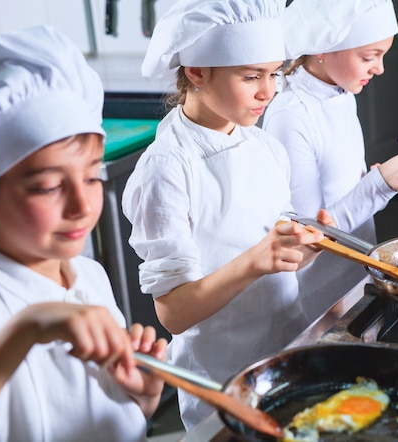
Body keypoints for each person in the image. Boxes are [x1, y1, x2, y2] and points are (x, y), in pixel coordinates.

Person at [121, 0, 331, 430]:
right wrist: (255, 261)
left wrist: (304, 248)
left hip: (285, 361)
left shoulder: (265, 147)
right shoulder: (167, 169)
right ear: (197, 71)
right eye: (251, 76)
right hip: (220, 387)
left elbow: (276, 260)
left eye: (274, 73)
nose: (267, 91)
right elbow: (173, 313)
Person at [0, 26, 168, 441]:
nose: (82, 205)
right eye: (48, 186)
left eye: (91, 177)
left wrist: (143, 395)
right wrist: (26, 330)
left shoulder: (88, 275)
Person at [262, 0, 398, 322]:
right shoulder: (290, 116)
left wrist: (367, 181)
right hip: (318, 293)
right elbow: (307, 231)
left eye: (382, 55)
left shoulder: (341, 93)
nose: (380, 68)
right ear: (323, 48)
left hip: (356, 269)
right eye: (369, 56)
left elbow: (340, 192)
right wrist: (378, 185)